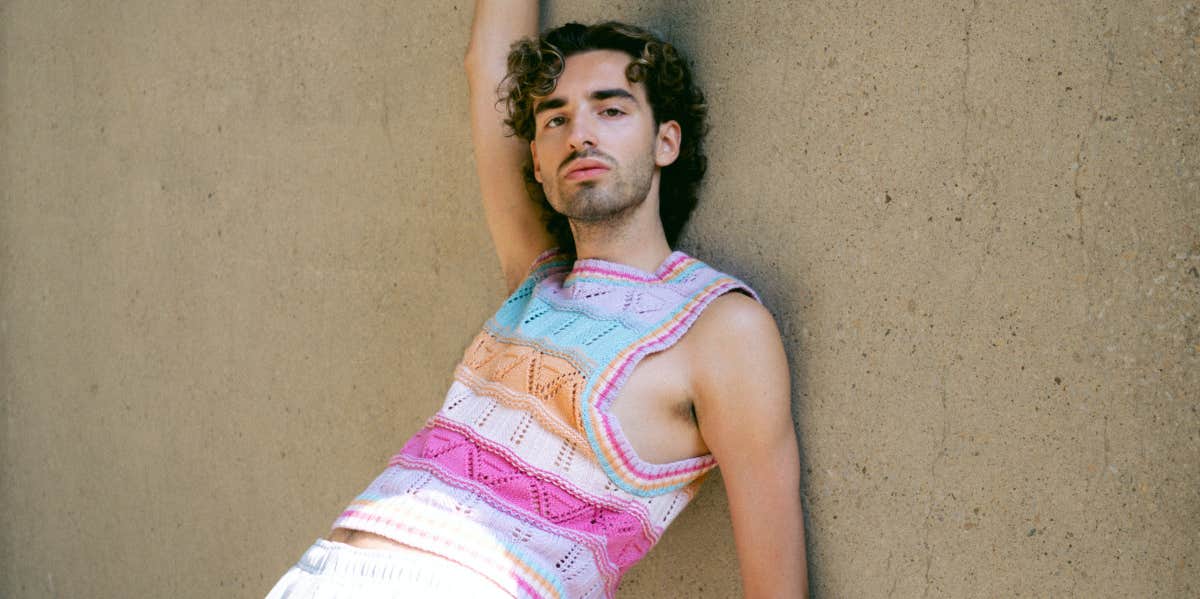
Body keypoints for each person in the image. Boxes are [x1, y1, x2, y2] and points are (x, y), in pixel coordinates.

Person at [265, 2, 807, 597]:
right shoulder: (538, 285)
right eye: (555, 119)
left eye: (611, 109)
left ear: (666, 141)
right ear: (539, 168)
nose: (580, 133)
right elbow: (487, 63)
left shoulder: (718, 327)